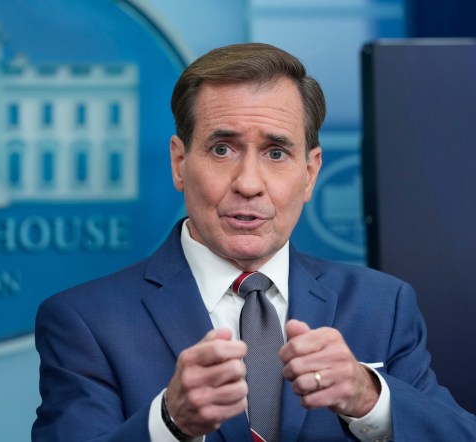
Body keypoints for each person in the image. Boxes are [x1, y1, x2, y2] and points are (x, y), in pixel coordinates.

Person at [31, 43, 476, 442]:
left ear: (310, 172)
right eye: (222, 149)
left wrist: (370, 400)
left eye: (276, 153)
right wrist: (169, 423)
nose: (248, 184)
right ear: (180, 163)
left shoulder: (383, 306)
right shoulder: (85, 321)